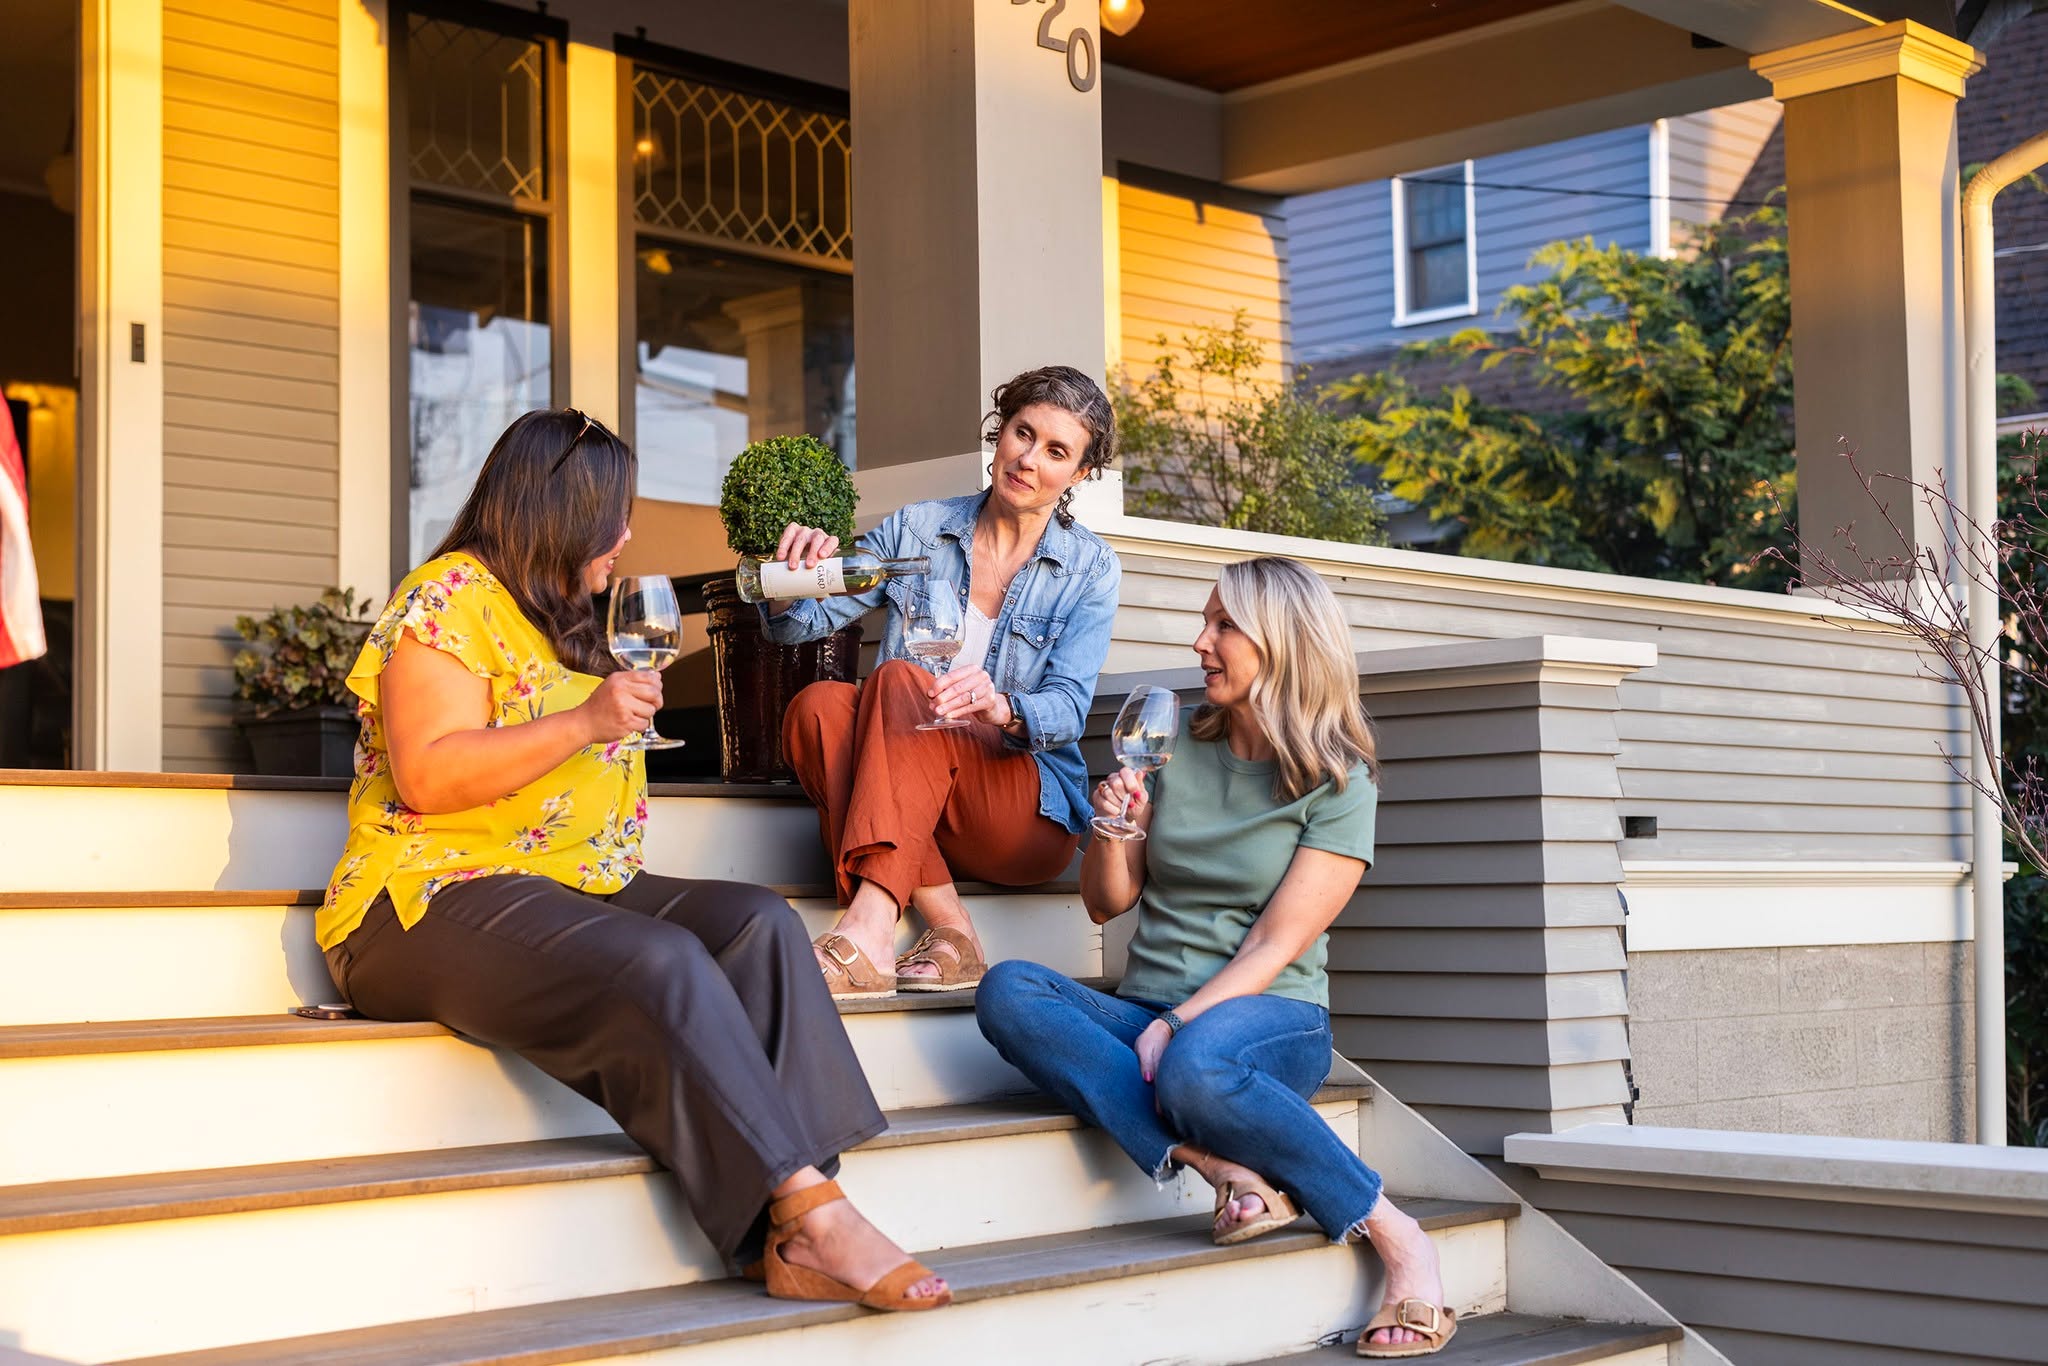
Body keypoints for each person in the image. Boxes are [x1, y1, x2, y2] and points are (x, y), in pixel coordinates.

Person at [317, 409, 948, 1313]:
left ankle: (794, 1216)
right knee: (662, 960)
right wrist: (585, 721)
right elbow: (427, 774)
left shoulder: (562, 613)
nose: (623, 536)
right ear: (561, 512)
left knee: (760, 924)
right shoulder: (446, 596)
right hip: (419, 899)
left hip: (568, 880)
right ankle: (815, 1216)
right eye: (612, 515)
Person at [975, 557, 1457, 1358]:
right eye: (1206, 622)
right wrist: (1114, 829)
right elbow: (1105, 904)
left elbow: (1275, 944)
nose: (1201, 642)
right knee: (1008, 989)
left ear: (1283, 643)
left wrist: (1176, 1024)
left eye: (1224, 625)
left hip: (1269, 1018)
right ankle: (1223, 1167)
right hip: (1151, 1009)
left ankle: (1399, 1236)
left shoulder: (1339, 785)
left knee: (1196, 1065)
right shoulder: (1175, 748)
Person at [768, 365, 1122, 998]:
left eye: (1056, 451)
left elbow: (1069, 708)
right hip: (914, 797)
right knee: (818, 706)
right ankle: (952, 927)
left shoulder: (1090, 568)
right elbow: (803, 624)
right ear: (1001, 431)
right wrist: (788, 579)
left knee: (899, 682)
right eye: (1022, 433)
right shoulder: (918, 529)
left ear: (1080, 474)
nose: (1028, 459)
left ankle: (871, 927)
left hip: (1021, 811)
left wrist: (1002, 706)